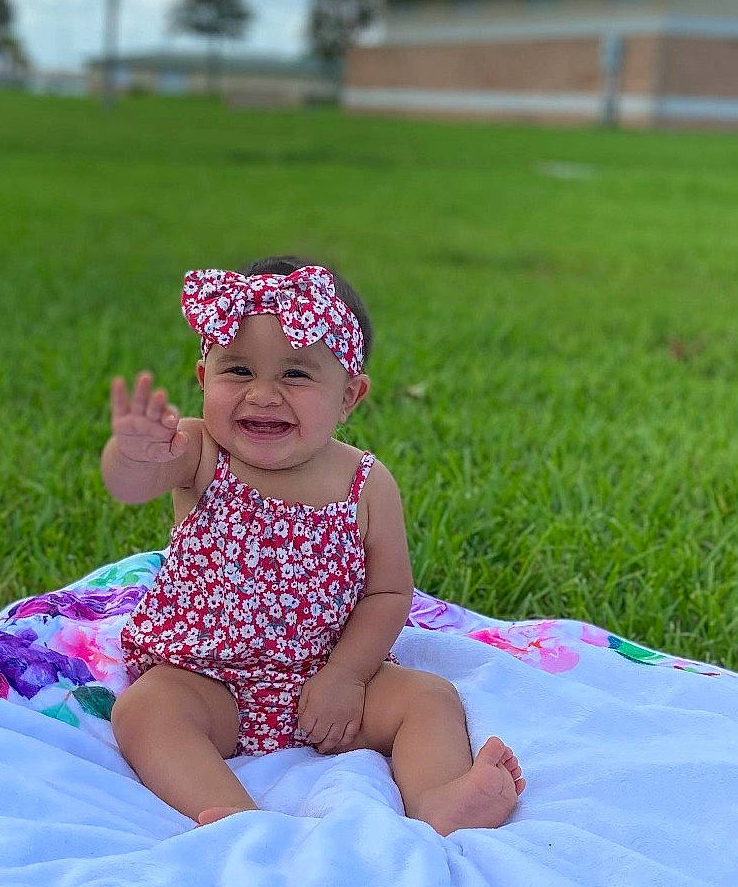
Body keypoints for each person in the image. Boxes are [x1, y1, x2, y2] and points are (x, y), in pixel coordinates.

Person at [102, 257, 525, 831]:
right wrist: (133, 453)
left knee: (429, 698)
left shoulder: (366, 483)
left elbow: (388, 592)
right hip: (208, 679)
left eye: (296, 374)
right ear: (204, 379)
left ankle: (442, 798)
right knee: (144, 711)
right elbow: (132, 484)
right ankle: (237, 820)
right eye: (239, 370)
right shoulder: (200, 452)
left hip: (325, 682)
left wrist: (346, 677)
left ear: (349, 396)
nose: (263, 395)